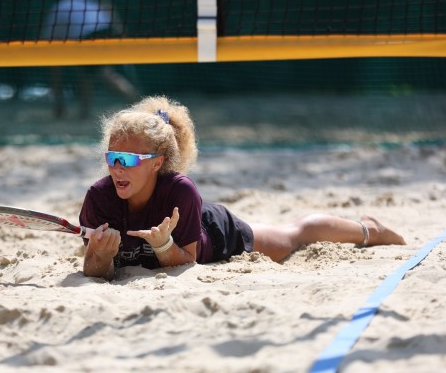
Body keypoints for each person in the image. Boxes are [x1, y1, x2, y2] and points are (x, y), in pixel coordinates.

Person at [79, 96, 406, 280]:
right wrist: (102, 257)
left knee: (295, 236)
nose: (117, 167)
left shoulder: (180, 192)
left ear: (157, 162)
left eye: (128, 159)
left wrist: (164, 245)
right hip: (182, 234)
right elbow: (93, 271)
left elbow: (187, 263)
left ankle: (370, 231)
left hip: (217, 234)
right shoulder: (99, 197)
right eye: (111, 157)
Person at [42, 0, 139, 118]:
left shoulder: (55, 13)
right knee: (97, 73)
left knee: (97, 73)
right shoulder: (86, 5)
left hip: (89, 34)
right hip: (104, 30)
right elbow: (109, 9)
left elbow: (52, 53)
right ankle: (82, 111)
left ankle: (134, 98)